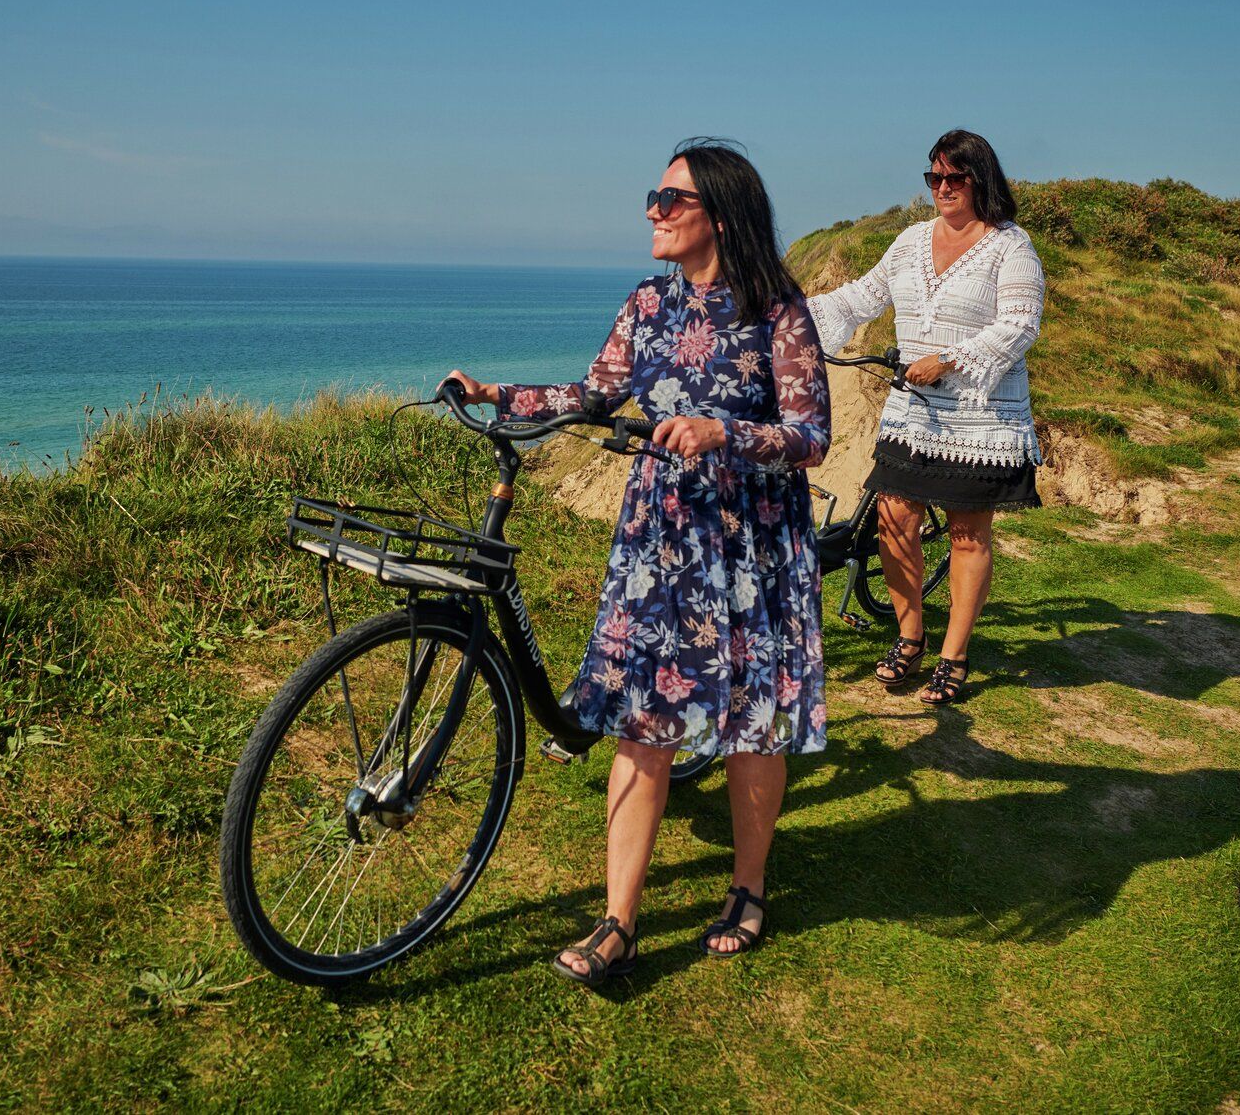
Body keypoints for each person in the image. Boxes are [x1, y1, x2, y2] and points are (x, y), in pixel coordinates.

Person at [446, 138, 830, 984]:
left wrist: (721, 430)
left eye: (670, 200)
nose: (652, 212)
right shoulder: (646, 304)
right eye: (651, 198)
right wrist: (498, 394)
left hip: (747, 543)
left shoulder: (777, 310)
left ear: (719, 216)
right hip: (658, 542)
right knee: (641, 720)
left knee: (751, 718)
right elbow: (593, 391)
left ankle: (749, 885)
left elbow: (812, 436)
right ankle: (619, 920)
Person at [807, 129, 1044, 705]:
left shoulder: (1011, 247)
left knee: (968, 534)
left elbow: (1020, 324)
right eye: (933, 177)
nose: (941, 188)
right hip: (912, 412)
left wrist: (952, 359)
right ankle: (909, 635)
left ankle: (954, 654)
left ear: (979, 180)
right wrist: (787, 318)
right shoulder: (911, 241)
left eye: (953, 178)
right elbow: (860, 297)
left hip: (979, 416)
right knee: (893, 519)